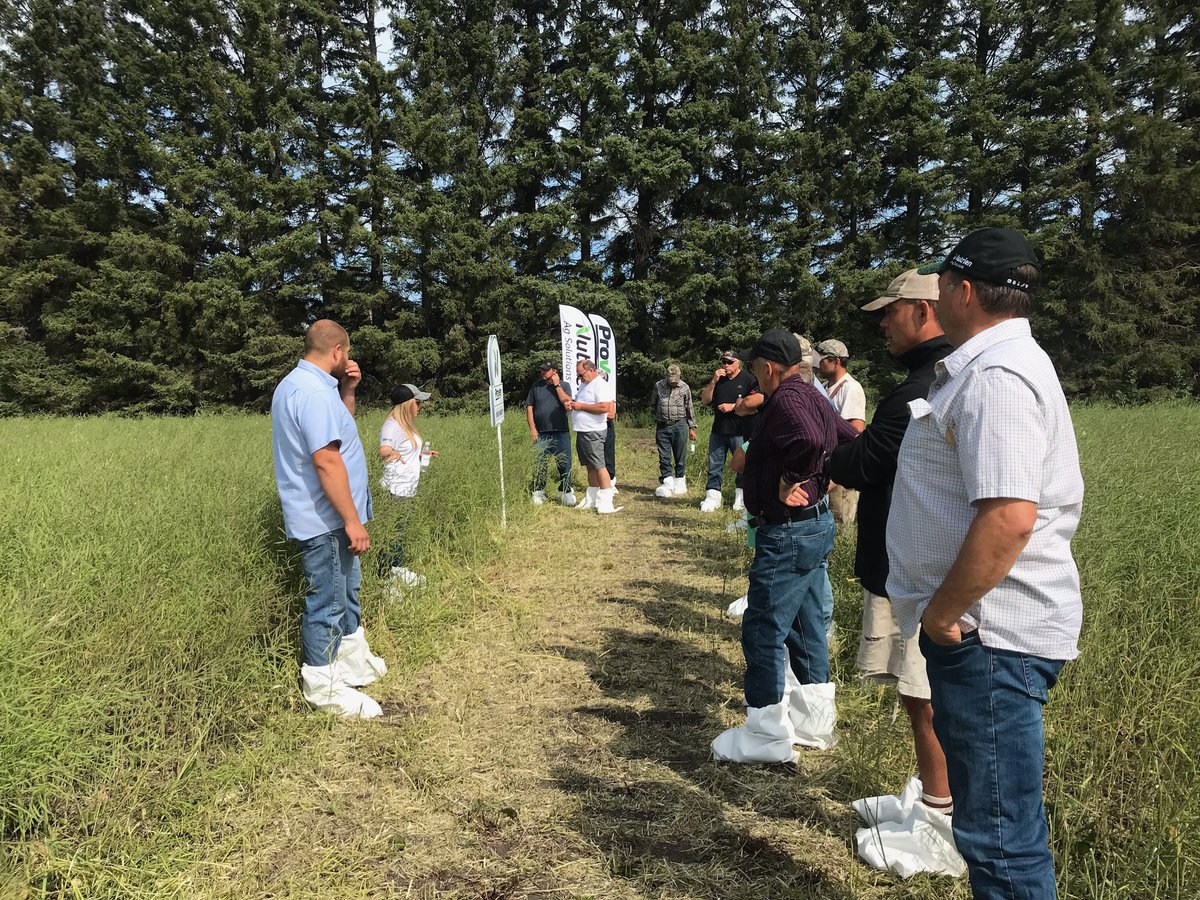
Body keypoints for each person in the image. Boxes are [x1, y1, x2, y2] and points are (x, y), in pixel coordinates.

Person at [889, 228, 1084, 897]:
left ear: (964, 291)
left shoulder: (997, 375)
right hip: (984, 634)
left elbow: (1009, 516)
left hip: (989, 636)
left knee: (1000, 840)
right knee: (991, 827)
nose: (935, 299)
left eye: (940, 287)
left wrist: (943, 616)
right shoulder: (988, 367)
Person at [826, 270, 957, 862]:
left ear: (924, 312)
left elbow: (861, 464)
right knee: (916, 692)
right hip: (909, 565)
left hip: (921, 574)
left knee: (924, 693)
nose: (882, 323)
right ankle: (932, 795)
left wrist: (831, 440)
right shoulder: (926, 382)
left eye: (890, 312)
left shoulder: (920, 392)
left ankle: (941, 820)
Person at [710, 329, 859, 764]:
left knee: (763, 628)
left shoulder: (789, 399)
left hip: (789, 531)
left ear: (768, 367)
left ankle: (765, 735)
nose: (754, 377)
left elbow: (811, 443)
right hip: (814, 528)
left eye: (756, 368)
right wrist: (824, 475)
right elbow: (847, 438)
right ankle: (813, 721)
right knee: (805, 623)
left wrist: (793, 478)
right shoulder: (812, 393)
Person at [270, 319, 383, 719]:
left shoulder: (310, 387)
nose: (347, 360)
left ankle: (349, 663)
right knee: (328, 600)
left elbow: (341, 429)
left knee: (346, 591)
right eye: (347, 354)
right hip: (326, 517)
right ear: (337, 351)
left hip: (330, 514)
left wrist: (349, 390)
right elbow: (326, 459)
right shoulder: (312, 394)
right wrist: (352, 520)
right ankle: (322, 684)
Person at [378, 383, 436, 589]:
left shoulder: (405, 426)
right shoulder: (392, 425)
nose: (420, 407)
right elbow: (384, 450)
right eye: (417, 403)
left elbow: (405, 450)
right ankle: (386, 579)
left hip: (407, 489)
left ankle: (397, 570)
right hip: (395, 490)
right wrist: (390, 454)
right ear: (407, 404)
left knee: (400, 533)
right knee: (393, 535)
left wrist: (423, 455)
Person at [699, 350, 762, 512]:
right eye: (723, 361)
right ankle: (713, 497)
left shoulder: (748, 379)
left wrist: (733, 406)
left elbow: (756, 404)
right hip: (718, 430)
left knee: (742, 466)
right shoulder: (719, 380)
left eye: (729, 362)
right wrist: (713, 381)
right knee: (714, 465)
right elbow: (705, 400)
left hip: (740, 431)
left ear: (738, 363)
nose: (725, 365)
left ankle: (741, 499)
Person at [815, 338, 866, 526]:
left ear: (836, 361)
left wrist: (838, 472)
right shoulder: (825, 388)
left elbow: (855, 432)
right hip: (827, 465)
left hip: (841, 470)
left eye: (822, 360)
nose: (818, 364)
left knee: (840, 523)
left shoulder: (850, 388)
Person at [566, 358, 619, 514]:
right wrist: (574, 403)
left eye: (581, 374)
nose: (579, 378)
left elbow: (605, 407)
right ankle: (592, 496)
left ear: (590, 370)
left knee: (599, 465)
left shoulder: (600, 385)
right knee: (589, 465)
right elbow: (583, 402)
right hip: (582, 430)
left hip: (594, 431)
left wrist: (580, 406)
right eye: (578, 375)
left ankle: (606, 501)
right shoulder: (584, 384)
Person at [525, 362, 576, 506]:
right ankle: (538, 492)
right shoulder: (536, 386)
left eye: (546, 370)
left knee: (564, 463)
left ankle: (566, 491)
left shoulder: (564, 385)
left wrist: (557, 385)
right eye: (541, 370)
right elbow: (529, 408)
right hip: (541, 433)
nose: (543, 372)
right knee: (540, 463)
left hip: (561, 431)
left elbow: (567, 402)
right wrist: (533, 429)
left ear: (554, 371)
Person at [652, 364, 697, 498]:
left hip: (680, 425)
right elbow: (653, 404)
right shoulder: (658, 386)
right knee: (664, 456)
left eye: (675, 379)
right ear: (666, 377)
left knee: (680, 456)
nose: (673, 382)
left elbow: (689, 407)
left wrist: (692, 427)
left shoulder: (684, 387)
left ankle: (680, 480)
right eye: (670, 379)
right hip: (662, 426)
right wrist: (659, 417)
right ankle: (667, 481)